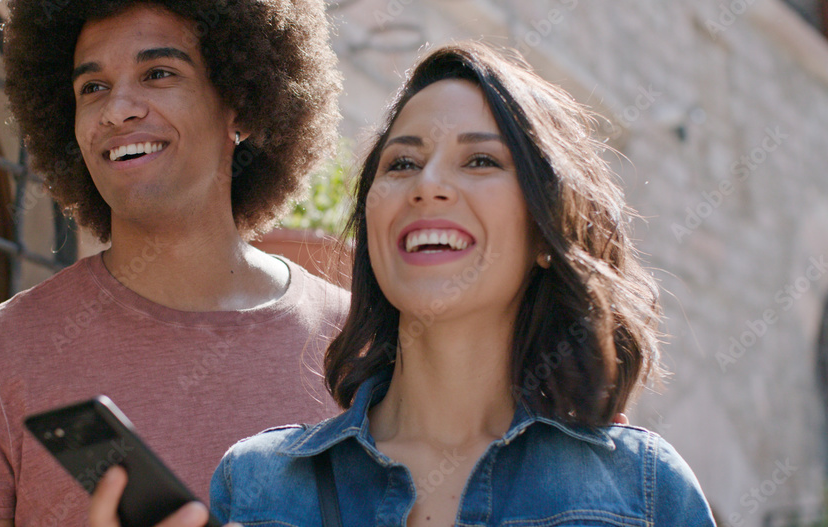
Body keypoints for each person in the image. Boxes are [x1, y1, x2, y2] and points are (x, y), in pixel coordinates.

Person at [91, 41, 717, 526]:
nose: (426, 184)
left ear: (547, 232)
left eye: (480, 160)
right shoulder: (261, 486)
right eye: (403, 163)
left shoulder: (643, 491)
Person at [0, 1, 347, 526]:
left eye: (158, 73)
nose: (117, 110)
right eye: (93, 87)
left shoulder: (360, 344)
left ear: (240, 105)